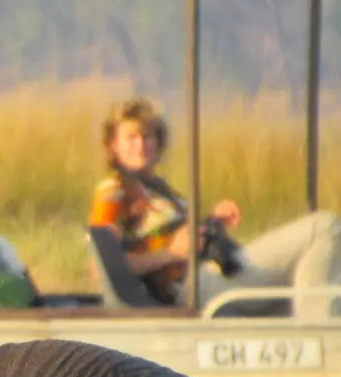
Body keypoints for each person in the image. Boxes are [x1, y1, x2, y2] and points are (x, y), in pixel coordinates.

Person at [90, 95, 341, 306]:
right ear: (113, 145)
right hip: (192, 285)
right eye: (131, 138)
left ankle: (315, 328)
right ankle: (320, 334)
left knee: (315, 253)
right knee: (323, 228)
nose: (141, 145)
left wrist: (211, 224)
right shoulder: (114, 190)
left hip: (215, 272)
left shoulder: (160, 189)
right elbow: (103, 267)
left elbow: (181, 239)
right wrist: (170, 254)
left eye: (148, 136)